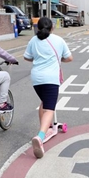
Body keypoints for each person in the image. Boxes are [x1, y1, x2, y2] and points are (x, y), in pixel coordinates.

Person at [23, 16, 73, 158]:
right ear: (52, 27)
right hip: (51, 78)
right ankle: (40, 136)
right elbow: (69, 58)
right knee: (50, 108)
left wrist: (38, 58)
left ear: (38, 27)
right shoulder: (58, 40)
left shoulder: (33, 40)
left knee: (44, 103)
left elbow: (27, 57)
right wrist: (58, 58)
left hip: (36, 78)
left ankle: (45, 129)